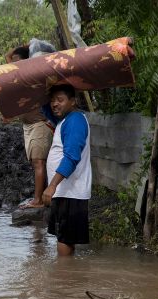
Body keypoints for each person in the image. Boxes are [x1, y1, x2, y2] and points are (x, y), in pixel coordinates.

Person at [4, 39, 58, 209]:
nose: (16, 65)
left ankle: (38, 200)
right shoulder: (19, 76)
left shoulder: (35, 76)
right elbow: (8, 57)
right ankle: (40, 197)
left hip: (40, 124)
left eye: (19, 62)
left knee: (38, 162)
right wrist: (26, 46)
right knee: (36, 163)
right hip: (28, 125)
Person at [41, 84, 91, 257]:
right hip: (65, 191)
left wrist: (52, 186)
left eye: (60, 100)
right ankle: (66, 272)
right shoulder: (65, 120)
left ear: (73, 101)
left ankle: (63, 273)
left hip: (70, 192)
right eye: (52, 100)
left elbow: (72, 157)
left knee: (65, 240)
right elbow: (46, 110)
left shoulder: (75, 121)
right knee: (63, 237)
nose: (54, 104)